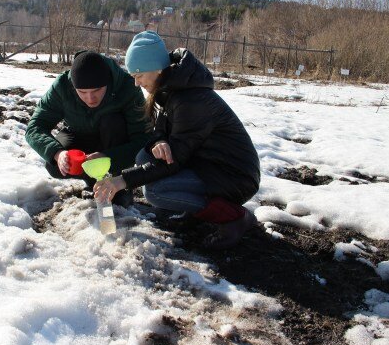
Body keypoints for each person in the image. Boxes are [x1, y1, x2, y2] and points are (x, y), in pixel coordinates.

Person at [93, 31, 260, 249]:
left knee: (155, 192)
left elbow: (175, 161)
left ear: (157, 68)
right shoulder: (170, 88)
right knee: (145, 155)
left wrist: (121, 181)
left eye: (138, 75)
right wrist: (159, 141)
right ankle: (195, 212)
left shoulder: (191, 100)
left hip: (233, 176)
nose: (136, 83)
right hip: (205, 163)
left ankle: (235, 217)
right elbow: (159, 130)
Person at [25, 50, 150, 207]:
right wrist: (57, 153)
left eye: (97, 90)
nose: (90, 98)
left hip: (113, 140)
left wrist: (108, 157)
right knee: (54, 164)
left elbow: (142, 139)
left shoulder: (127, 87)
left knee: (111, 122)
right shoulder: (62, 86)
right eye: (82, 92)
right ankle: (92, 180)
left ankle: (118, 184)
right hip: (78, 134)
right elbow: (35, 126)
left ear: (108, 82)